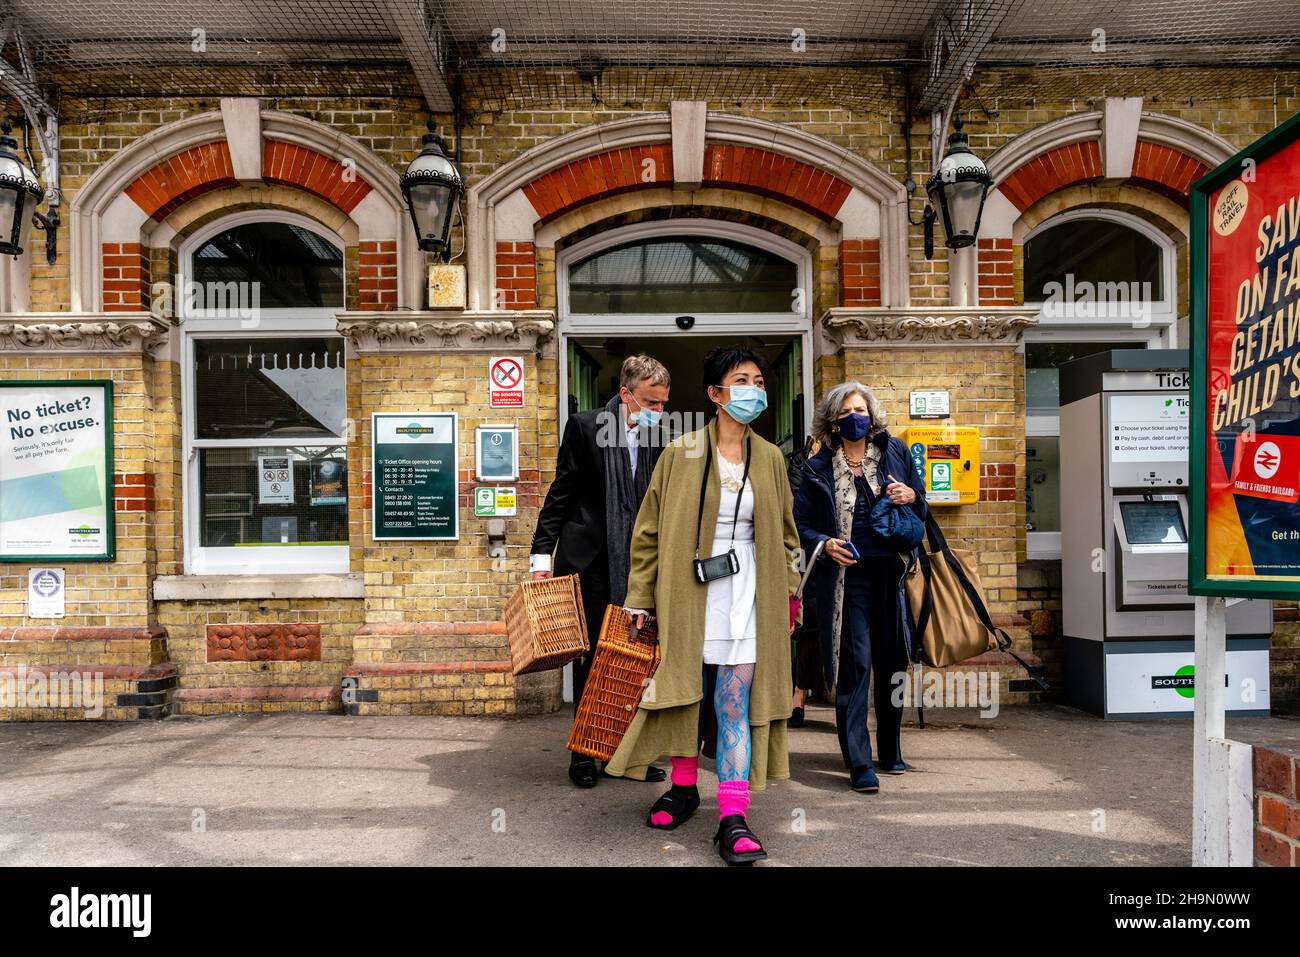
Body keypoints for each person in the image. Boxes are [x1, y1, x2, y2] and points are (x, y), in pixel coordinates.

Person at [604, 345, 801, 865]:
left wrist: (791, 590)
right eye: (741, 380)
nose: (753, 390)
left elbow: (785, 533)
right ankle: (685, 787)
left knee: (733, 702)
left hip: (749, 595)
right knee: (686, 695)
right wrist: (640, 600)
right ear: (715, 394)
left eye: (758, 380)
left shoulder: (772, 457)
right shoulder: (681, 453)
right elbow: (647, 534)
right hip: (688, 594)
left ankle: (733, 816)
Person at [530, 354, 672, 788]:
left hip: (642, 564)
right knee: (594, 659)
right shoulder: (585, 426)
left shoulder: (662, 434)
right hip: (591, 560)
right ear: (625, 394)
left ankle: (627, 755)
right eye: (650, 403)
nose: (659, 412)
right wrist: (540, 558)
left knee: (639, 661)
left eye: (664, 403)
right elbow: (562, 493)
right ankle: (585, 753)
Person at [792, 381, 927, 794]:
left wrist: (910, 495)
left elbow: (923, 503)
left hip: (894, 575)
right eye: (848, 411)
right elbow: (801, 525)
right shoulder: (816, 468)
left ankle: (890, 748)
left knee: (892, 663)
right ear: (834, 420)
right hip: (847, 581)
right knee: (857, 665)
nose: (857, 417)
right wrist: (825, 543)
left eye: (862, 410)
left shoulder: (895, 452)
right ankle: (858, 761)